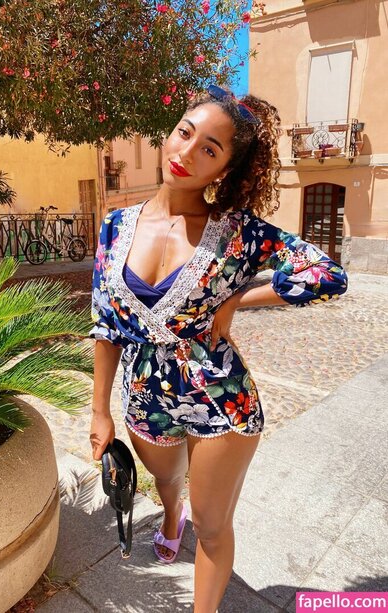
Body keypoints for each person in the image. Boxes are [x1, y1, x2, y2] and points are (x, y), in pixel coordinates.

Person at [89, 84, 347, 612]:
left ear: (226, 168)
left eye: (209, 148)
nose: (186, 153)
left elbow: (328, 274)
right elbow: (106, 322)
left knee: (212, 525)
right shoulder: (115, 225)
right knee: (166, 478)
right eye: (184, 133)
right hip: (144, 395)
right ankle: (171, 513)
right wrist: (99, 410)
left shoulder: (239, 233)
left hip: (220, 397)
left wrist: (239, 299)